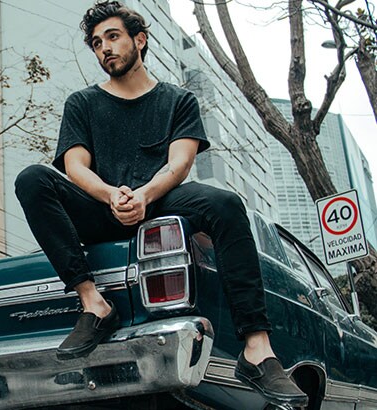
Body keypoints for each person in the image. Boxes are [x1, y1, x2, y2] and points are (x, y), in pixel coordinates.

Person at [15, 1, 308, 407]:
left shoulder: (178, 100)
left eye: (113, 37)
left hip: (160, 200)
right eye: (97, 43)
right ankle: (93, 303)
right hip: (102, 206)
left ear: (140, 39)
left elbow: (181, 162)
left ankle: (257, 350)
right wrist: (110, 194)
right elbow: (74, 165)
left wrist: (144, 195)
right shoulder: (82, 103)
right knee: (32, 179)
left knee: (225, 203)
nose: (105, 49)